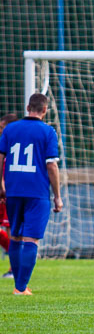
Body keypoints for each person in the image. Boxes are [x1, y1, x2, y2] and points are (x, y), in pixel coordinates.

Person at [0, 94, 62, 295]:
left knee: (15, 236)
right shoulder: (48, 131)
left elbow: (0, 157)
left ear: (28, 108)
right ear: (45, 110)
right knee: (31, 239)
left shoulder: (10, 129)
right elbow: (51, 165)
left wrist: (1, 184)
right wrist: (57, 195)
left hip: (13, 190)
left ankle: (20, 285)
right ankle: (20, 288)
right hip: (37, 192)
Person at [0, 113, 18, 279]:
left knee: (11, 230)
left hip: (7, 194)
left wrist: (3, 187)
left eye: (2, 127)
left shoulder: (13, 146)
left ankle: (14, 268)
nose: (0, 130)